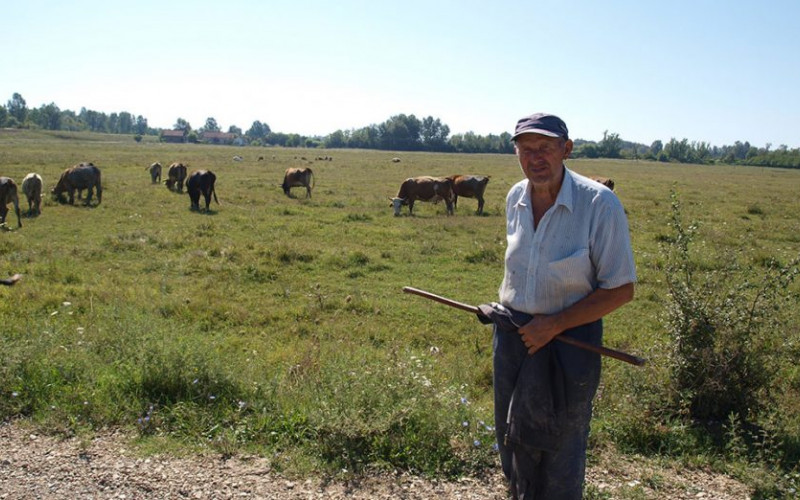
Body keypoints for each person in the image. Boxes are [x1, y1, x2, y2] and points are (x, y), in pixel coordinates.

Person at [493, 113, 637, 499]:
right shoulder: (514, 197)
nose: (535, 158)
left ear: (566, 149)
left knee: (561, 445)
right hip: (513, 338)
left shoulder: (599, 204)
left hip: (571, 343)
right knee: (511, 437)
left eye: (545, 148)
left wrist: (554, 324)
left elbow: (621, 289)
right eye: (525, 149)